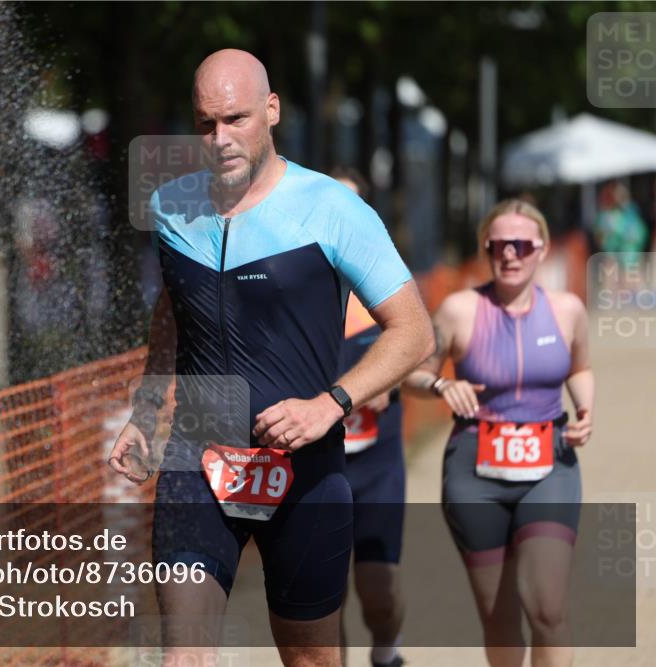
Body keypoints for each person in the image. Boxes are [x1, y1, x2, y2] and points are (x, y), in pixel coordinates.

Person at [108, 49, 434, 667]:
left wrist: (330, 405)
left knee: (310, 659)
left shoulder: (332, 208)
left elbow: (414, 332)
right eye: (207, 124)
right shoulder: (171, 206)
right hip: (197, 458)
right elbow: (173, 312)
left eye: (237, 119)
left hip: (303, 469)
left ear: (272, 111)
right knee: (183, 657)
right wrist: (147, 409)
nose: (221, 139)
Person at [404, 199, 593, 667]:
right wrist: (445, 384)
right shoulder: (459, 309)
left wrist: (586, 406)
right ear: (485, 248)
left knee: (546, 604)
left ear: (542, 249)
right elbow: (412, 373)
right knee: (499, 615)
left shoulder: (568, 310)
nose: (510, 254)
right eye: (499, 245)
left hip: (550, 463)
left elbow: (581, 368)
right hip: (475, 471)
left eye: (522, 245)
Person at [331, 167, 406, 667]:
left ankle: (386, 651)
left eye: (351, 206)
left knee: (378, 593)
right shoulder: (291, 280)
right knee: (320, 599)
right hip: (315, 463)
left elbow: (424, 342)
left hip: (375, 461)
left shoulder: (384, 279)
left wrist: (394, 377)